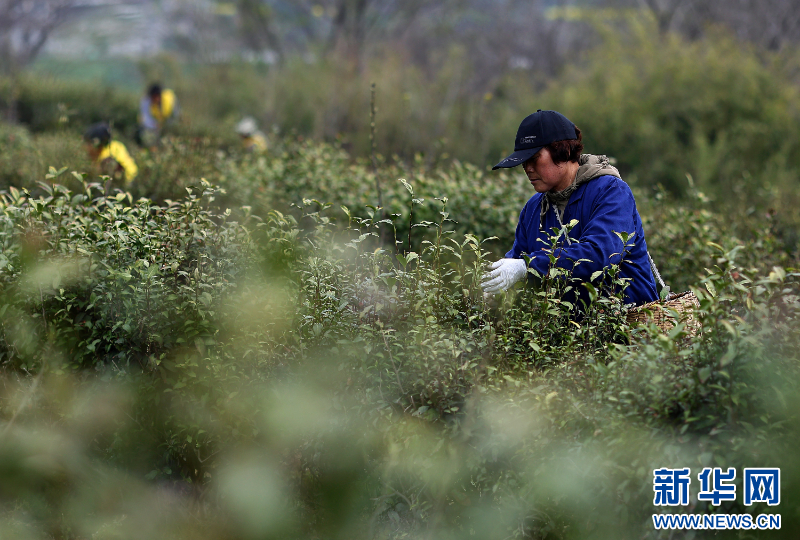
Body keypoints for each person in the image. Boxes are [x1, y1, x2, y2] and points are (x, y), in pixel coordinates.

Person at [481, 110, 658, 309]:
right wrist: (496, 286)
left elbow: (600, 255)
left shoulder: (611, 191)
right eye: (524, 161)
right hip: (573, 333)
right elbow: (517, 259)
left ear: (563, 152)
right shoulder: (533, 208)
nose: (527, 168)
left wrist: (527, 267)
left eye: (535, 158)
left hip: (631, 324)